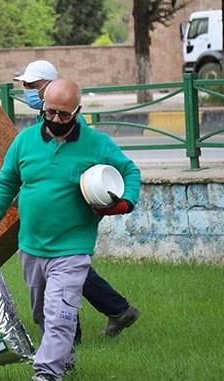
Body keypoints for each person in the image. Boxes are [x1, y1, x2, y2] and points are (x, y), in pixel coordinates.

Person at [0, 79, 141, 381]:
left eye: (64, 115)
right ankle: (65, 359)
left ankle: (46, 376)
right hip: (32, 246)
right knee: (41, 312)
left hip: (72, 247)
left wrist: (122, 202)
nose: (55, 120)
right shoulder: (25, 142)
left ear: (77, 111)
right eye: (50, 112)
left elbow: (130, 172)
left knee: (60, 310)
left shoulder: (96, 144)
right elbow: (6, 183)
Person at [14, 60, 140, 340]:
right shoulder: (39, 125)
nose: (27, 92)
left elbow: (123, 169)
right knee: (67, 275)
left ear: (49, 87)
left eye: (32, 86)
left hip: (72, 219)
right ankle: (115, 312)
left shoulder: (72, 127)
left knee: (68, 274)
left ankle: (78, 333)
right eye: (24, 87)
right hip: (49, 226)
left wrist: (124, 202)